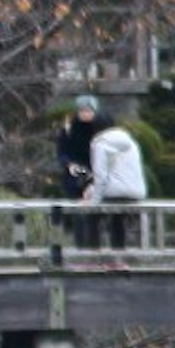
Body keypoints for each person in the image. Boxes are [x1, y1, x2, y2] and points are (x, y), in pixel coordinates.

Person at [81, 110, 147, 252]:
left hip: (116, 191)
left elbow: (101, 176)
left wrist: (93, 200)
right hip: (136, 191)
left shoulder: (100, 143)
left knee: (92, 215)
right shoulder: (129, 140)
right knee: (117, 218)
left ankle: (92, 256)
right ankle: (118, 257)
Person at [53, 96, 102, 241]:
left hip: (96, 175)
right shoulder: (69, 129)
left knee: (95, 215)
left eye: (88, 110)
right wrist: (69, 164)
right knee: (78, 214)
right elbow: (61, 152)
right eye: (82, 110)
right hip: (73, 176)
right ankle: (81, 247)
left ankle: (95, 248)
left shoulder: (99, 130)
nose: (85, 114)